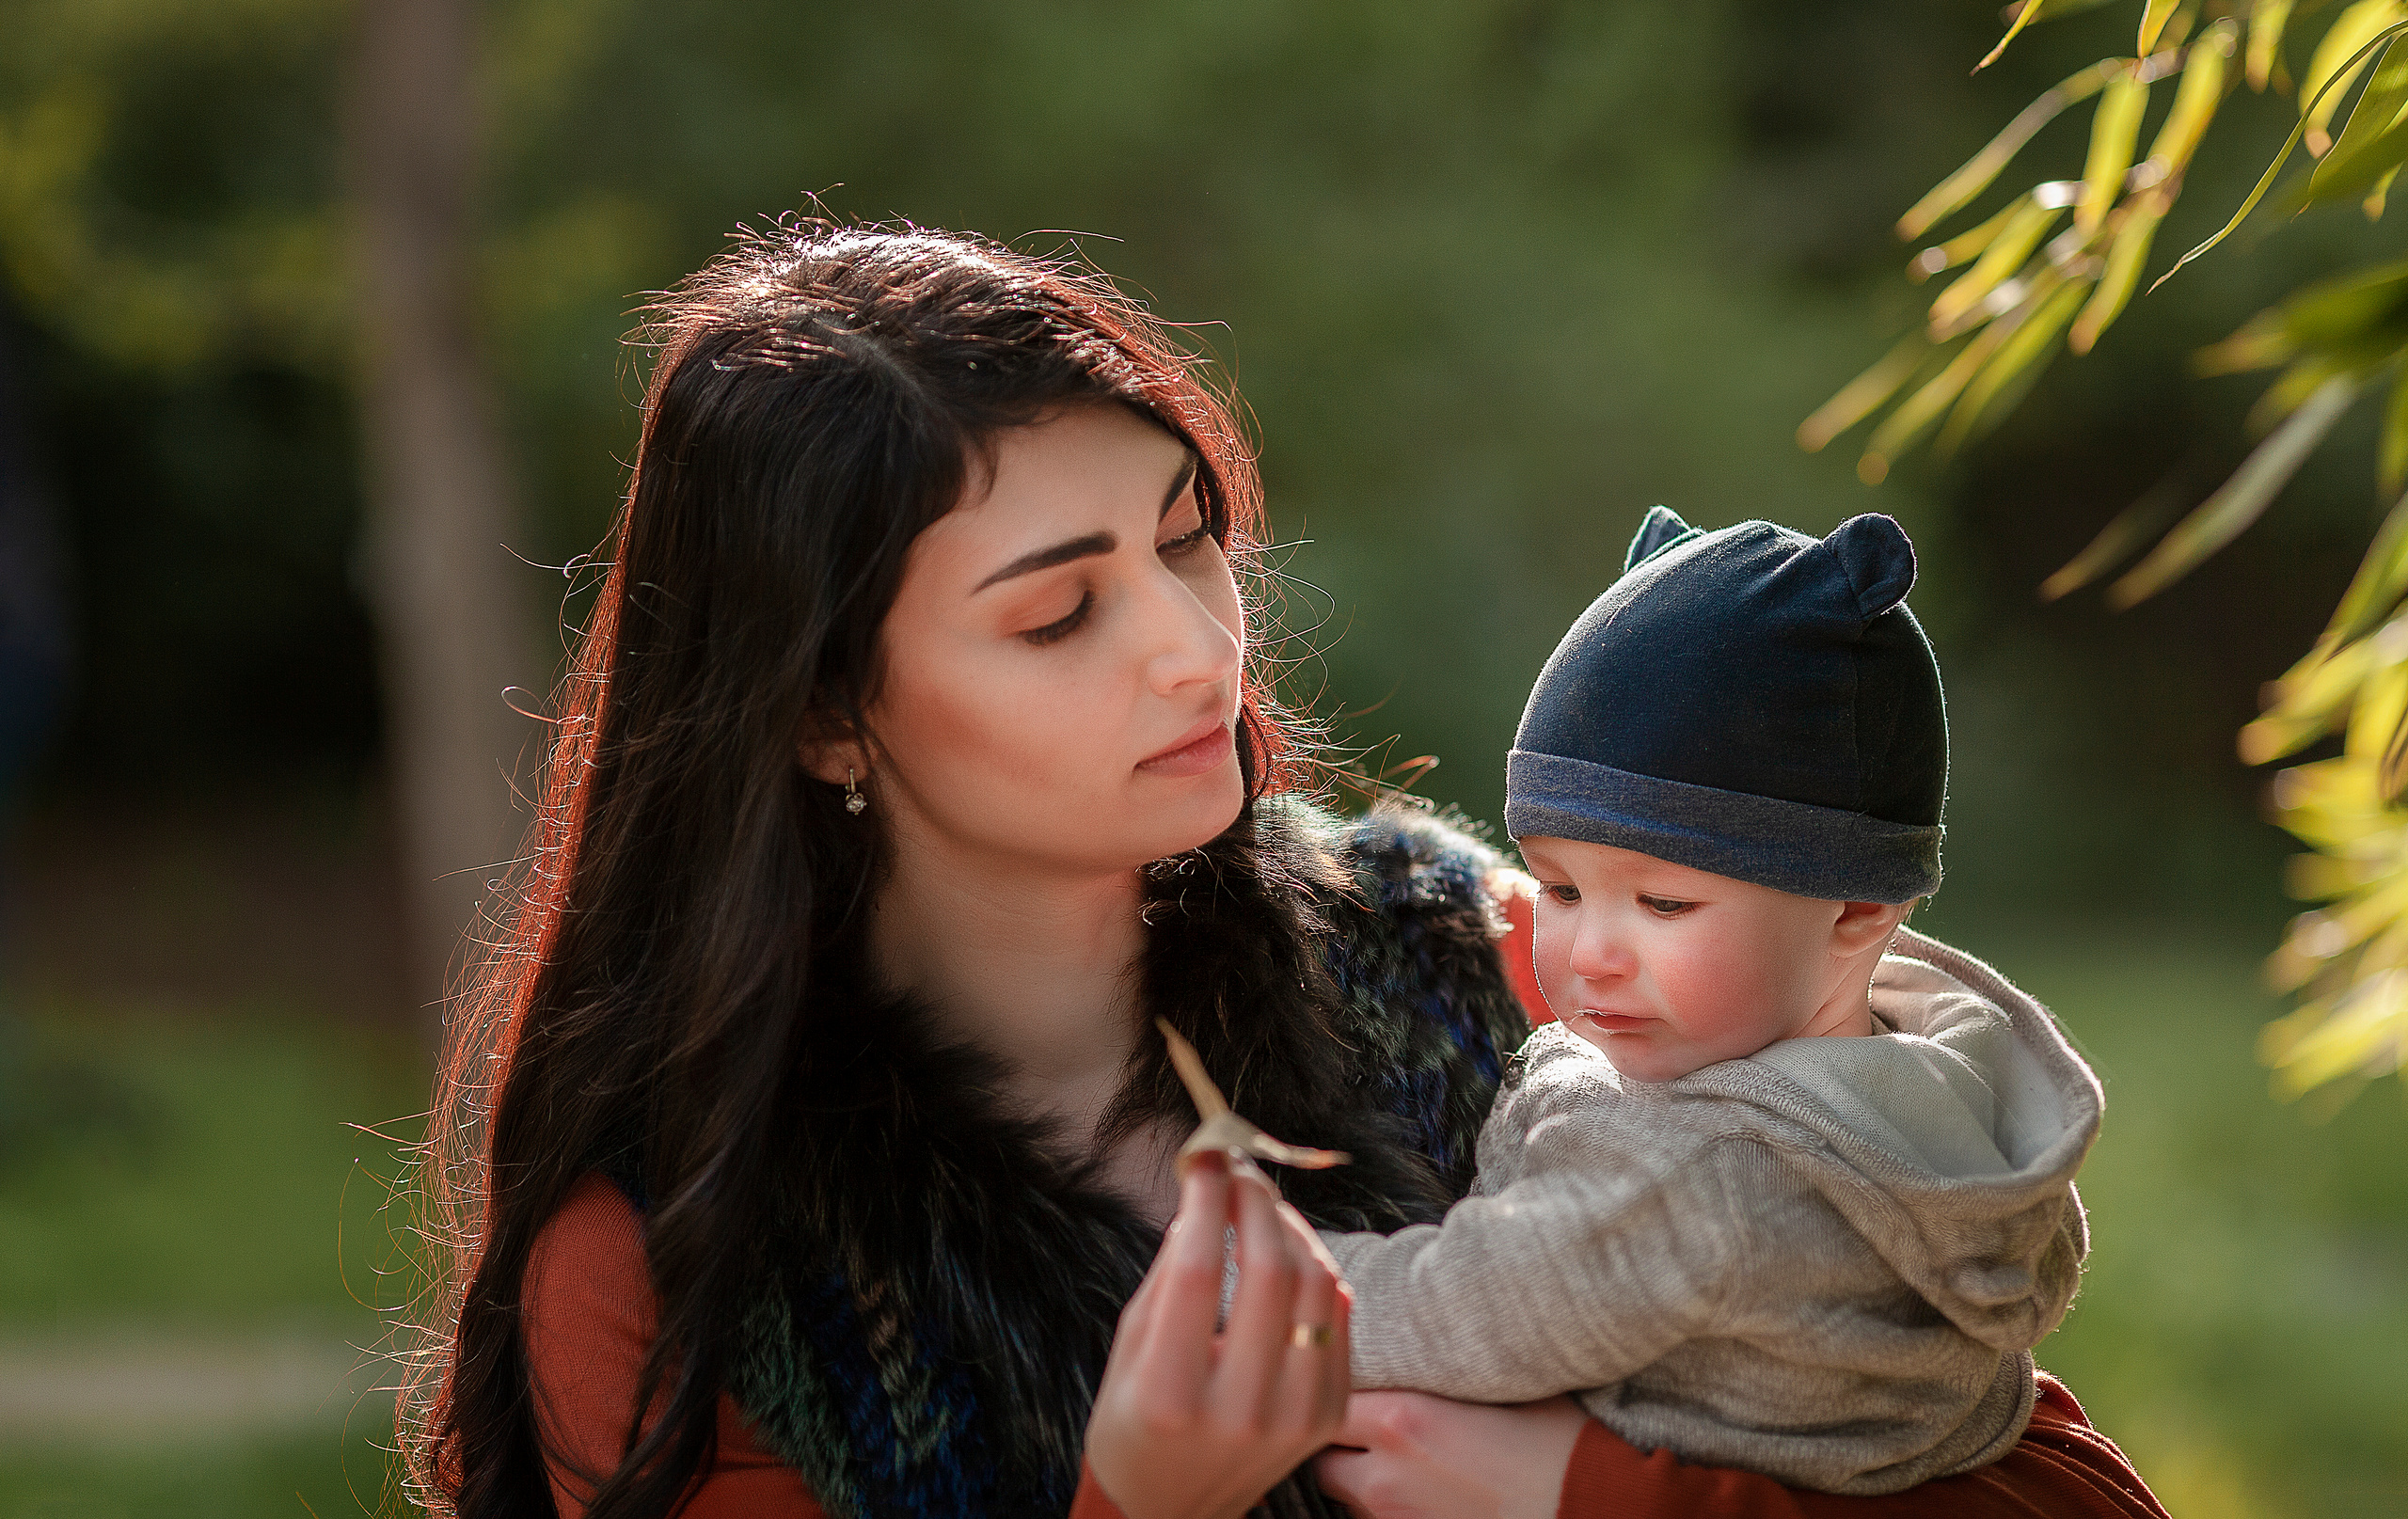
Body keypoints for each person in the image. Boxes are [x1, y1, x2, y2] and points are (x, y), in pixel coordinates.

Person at [397, 220, 2167, 1519]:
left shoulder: (1481, 955)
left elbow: (2062, 1487)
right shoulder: (672, 1254)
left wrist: (1604, 1495)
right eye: (1058, 611)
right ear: (824, 715)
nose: (1193, 650)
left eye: (1188, 542)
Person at [1323, 508, 2103, 1495]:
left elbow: (1469, 1307)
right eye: (1559, 888)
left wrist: (1243, 1280)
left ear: (1857, 910)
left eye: (1662, 902)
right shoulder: (1927, 1101)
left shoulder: (1708, 1174)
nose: (1591, 951)